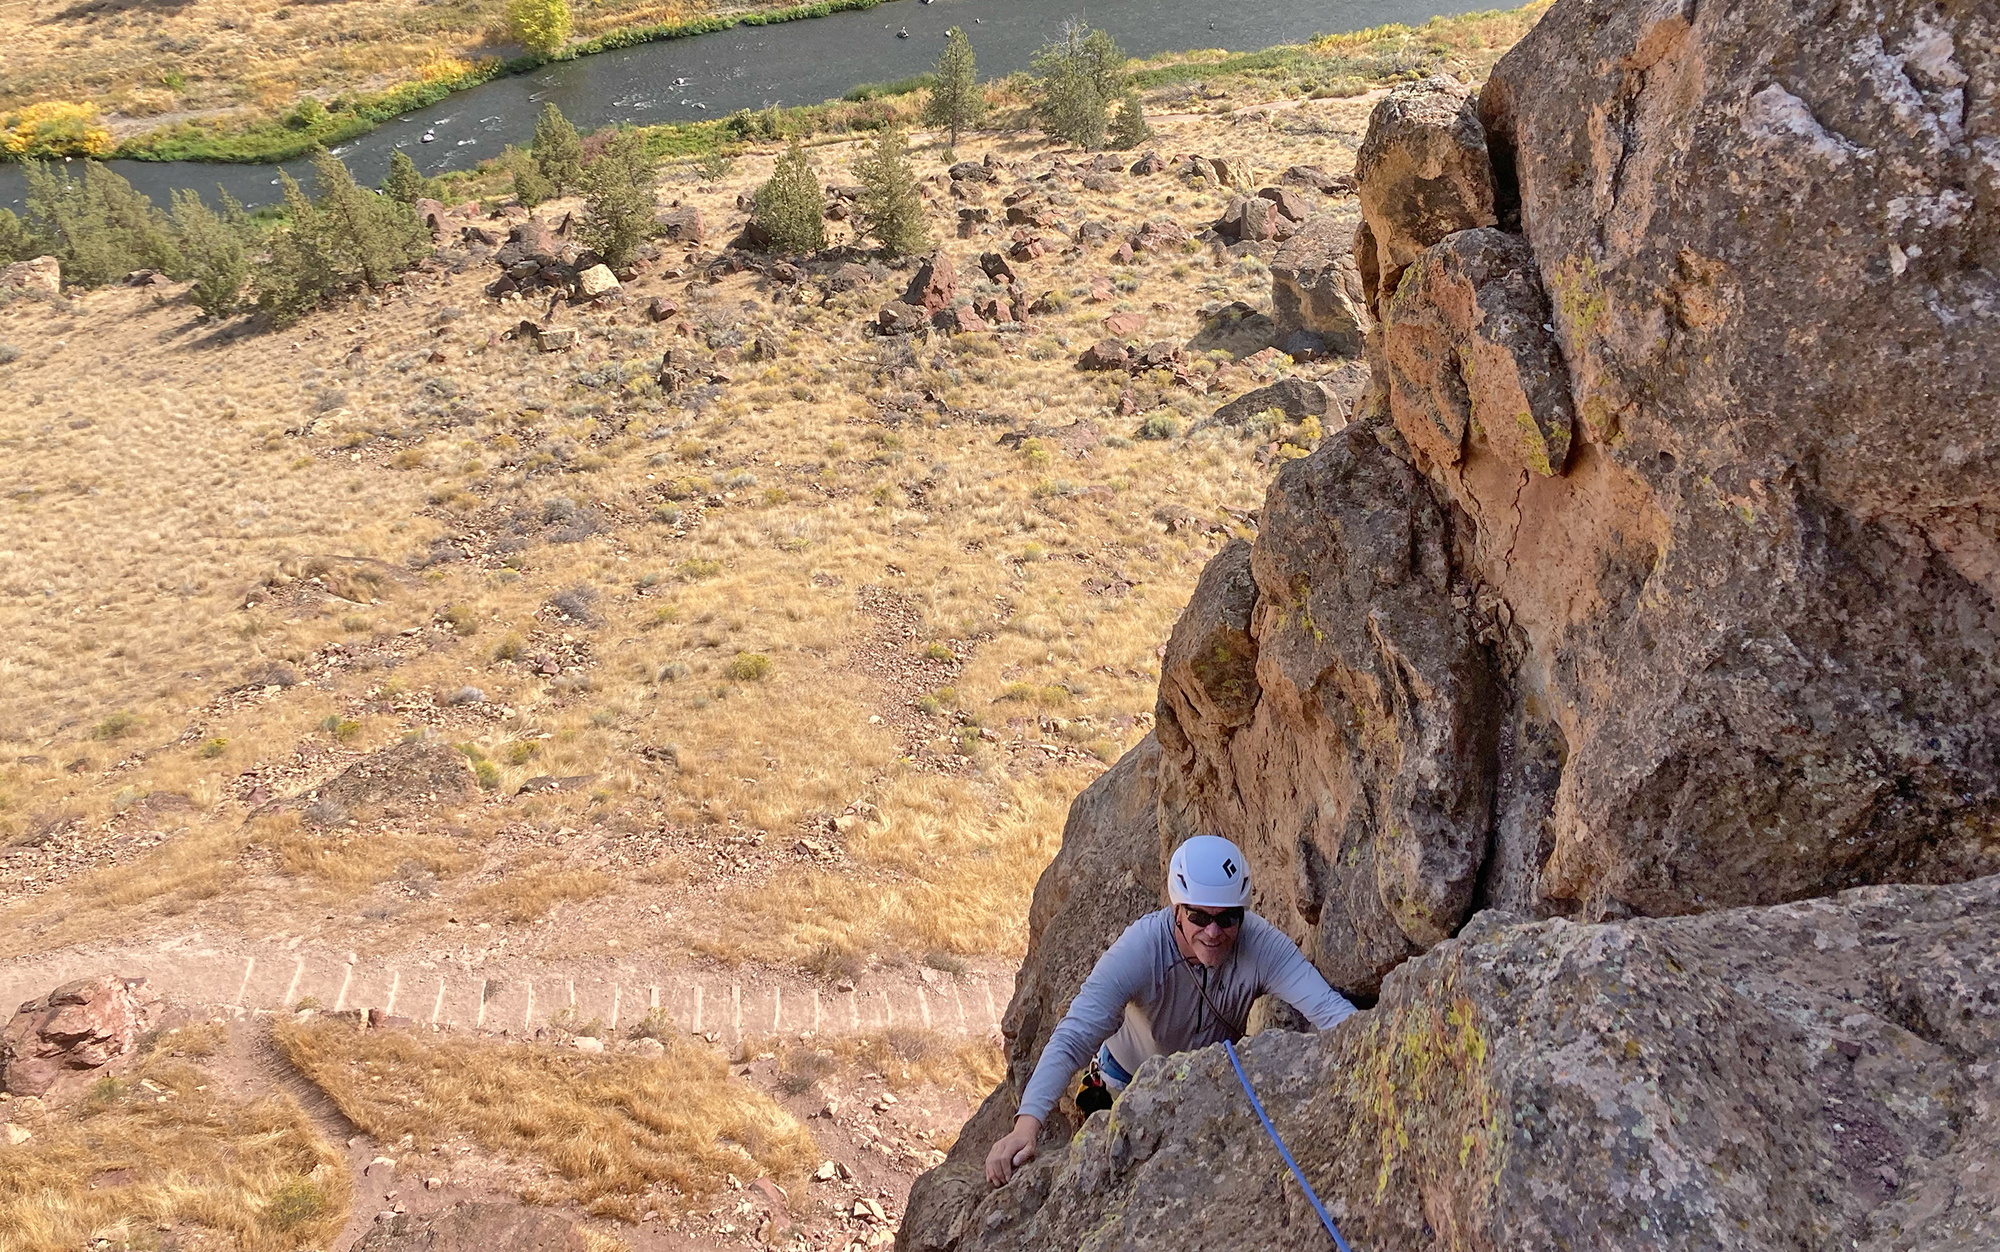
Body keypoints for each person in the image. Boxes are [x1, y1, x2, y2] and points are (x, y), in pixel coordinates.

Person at [985, 835, 1358, 1186]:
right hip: (1123, 1081)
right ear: (1177, 909)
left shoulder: (1260, 946)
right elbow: (1074, 1036)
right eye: (1199, 917)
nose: (1213, 932)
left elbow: (1326, 1007)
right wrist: (1026, 1125)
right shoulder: (1142, 950)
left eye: (1227, 918)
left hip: (1200, 1080)